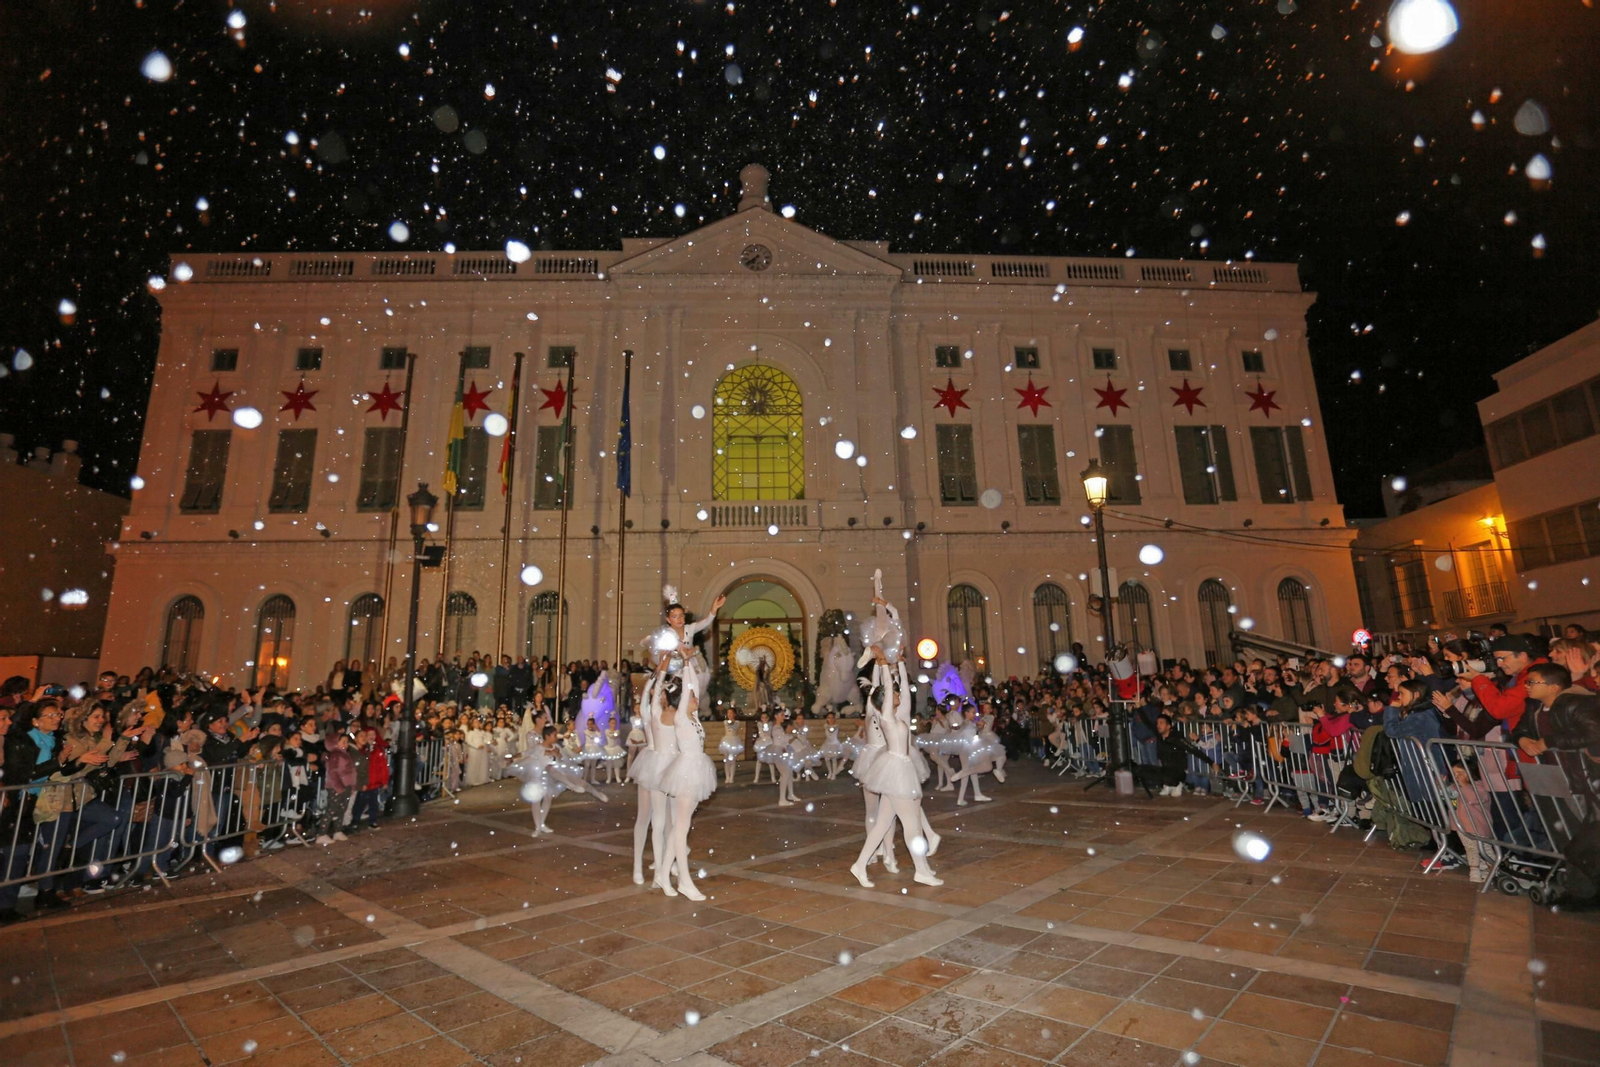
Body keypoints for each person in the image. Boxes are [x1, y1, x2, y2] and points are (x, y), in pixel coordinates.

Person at [652, 673, 717, 900]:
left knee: (681, 826)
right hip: (686, 773)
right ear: (681, 702)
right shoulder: (680, 717)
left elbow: (694, 686)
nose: (696, 699)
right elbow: (688, 689)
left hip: (697, 771)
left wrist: (689, 662)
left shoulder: (694, 716)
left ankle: (662, 873)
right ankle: (684, 881)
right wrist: (686, 663)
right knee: (681, 828)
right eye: (691, 697)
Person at [316, 732, 357, 845]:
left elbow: (352, 772)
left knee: (342, 809)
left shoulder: (345, 755)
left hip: (346, 786)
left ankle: (338, 830)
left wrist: (352, 786)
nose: (345, 744)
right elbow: (333, 772)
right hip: (336, 787)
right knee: (331, 809)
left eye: (346, 741)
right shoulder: (335, 755)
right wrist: (339, 786)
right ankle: (322, 833)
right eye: (342, 741)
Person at [718, 710, 745, 785]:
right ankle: (727, 777)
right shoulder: (725, 722)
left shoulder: (737, 723)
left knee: (733, 760)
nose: (730, 714)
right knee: (726, 760)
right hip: (726, 740)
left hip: (734, 741)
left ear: (734, 714)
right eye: (728, 713)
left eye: (731, 713)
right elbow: (729, 724)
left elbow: (733, 725)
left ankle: (731, 777)